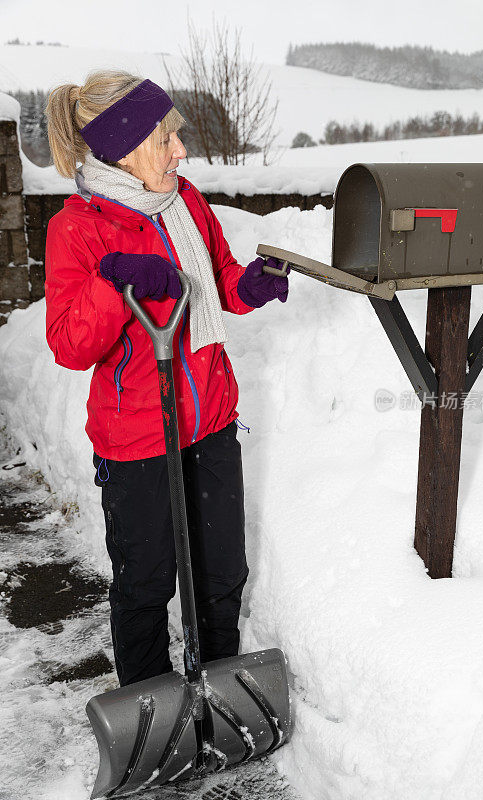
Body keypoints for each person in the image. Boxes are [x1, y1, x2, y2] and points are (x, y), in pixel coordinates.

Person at [44, 70, 289, 687]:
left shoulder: (186, 202)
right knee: (146, 581)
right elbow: (70, 344)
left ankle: (220, 697)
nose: (181, 150)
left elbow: (220, 280)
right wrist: (111, 281)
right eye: (165, 139)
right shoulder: (76, 229)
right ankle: (151, 708)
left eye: (176, 135)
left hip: (210, 419)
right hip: (137, 436)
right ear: (123, 150)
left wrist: (248, 287)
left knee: (220, 573)